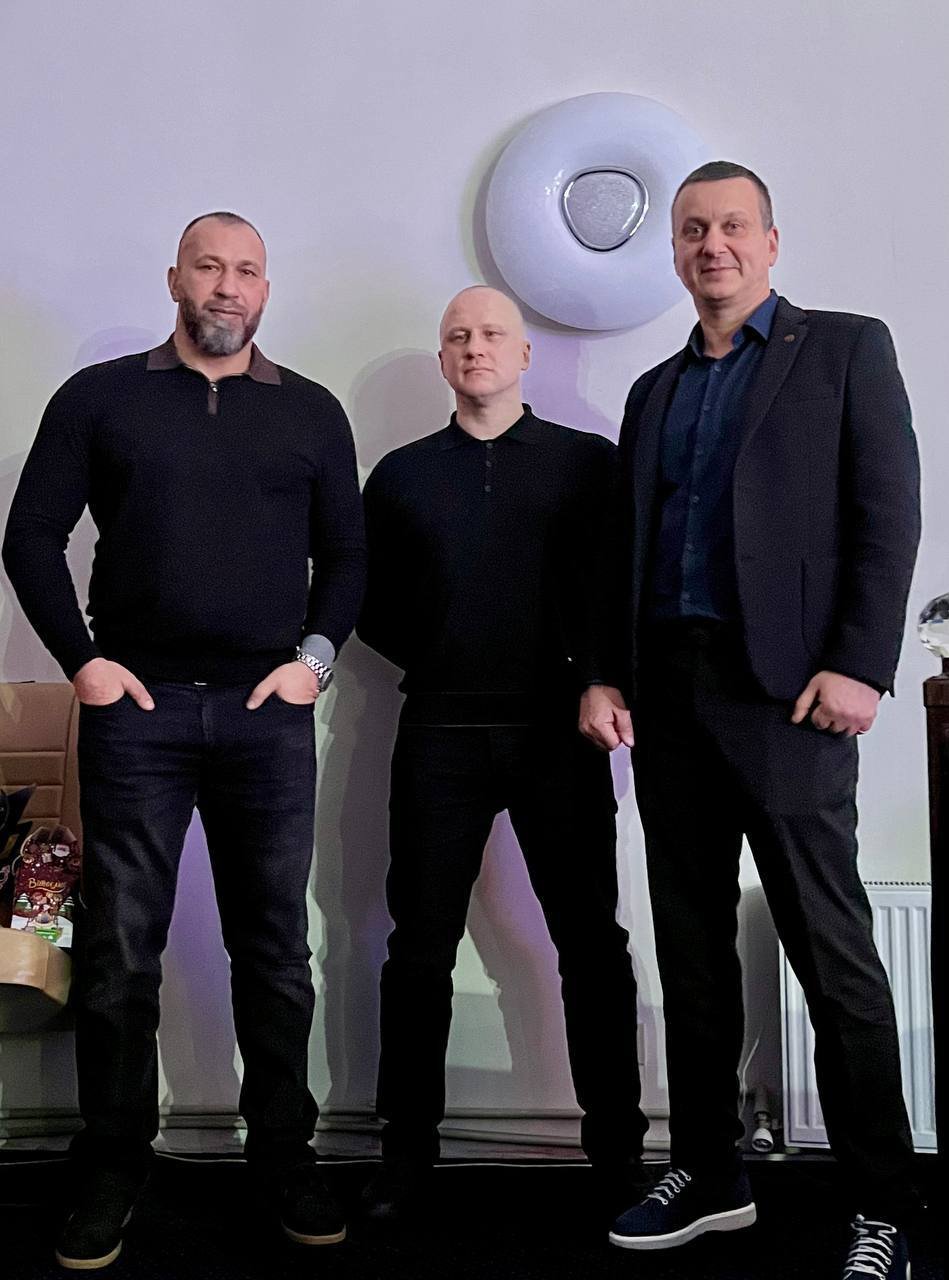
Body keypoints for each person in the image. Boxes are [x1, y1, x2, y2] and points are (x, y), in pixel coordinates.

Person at [2, 212, 366, 1268]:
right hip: (140, 713)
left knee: (276, 952)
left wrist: (313, 663)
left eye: (247, 270)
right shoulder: (101, 397)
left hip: (266, 714)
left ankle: (284, 1157)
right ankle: (113, 1164)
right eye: (210, 265)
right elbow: (31, 536)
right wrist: (85, 662)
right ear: (175, 278)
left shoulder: (311, 411)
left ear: (266, 290)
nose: (227, 285)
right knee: (121, 953)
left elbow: (347, 554)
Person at [580, 162, 921, 1279]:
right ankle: (710, 1172)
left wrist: (859, 663)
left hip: (790, 699)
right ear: (673, 250)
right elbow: (626, 549)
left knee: (832, 957)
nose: (711, 245)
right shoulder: (654, 390)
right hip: (667, 699)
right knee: (689, 954)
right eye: (692, 229)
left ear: (770, 242)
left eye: (732, 226)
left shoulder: (844, 350)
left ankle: (882, 1205)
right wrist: (607, 673)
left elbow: (886, 512)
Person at [356, 285, 649, 1224]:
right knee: (417, 947)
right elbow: (369, 601)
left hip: (560, 730)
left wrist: (598, 677)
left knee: (591, 942)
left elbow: (618, 588)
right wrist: (441, 653)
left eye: (491, 334)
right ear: (443, 359)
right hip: (440, 726)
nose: (474, 347)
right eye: (458, 336)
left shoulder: (588, 464)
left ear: (525, 354)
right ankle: (405, 1154)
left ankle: (618, 1151)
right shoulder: (401, 477)